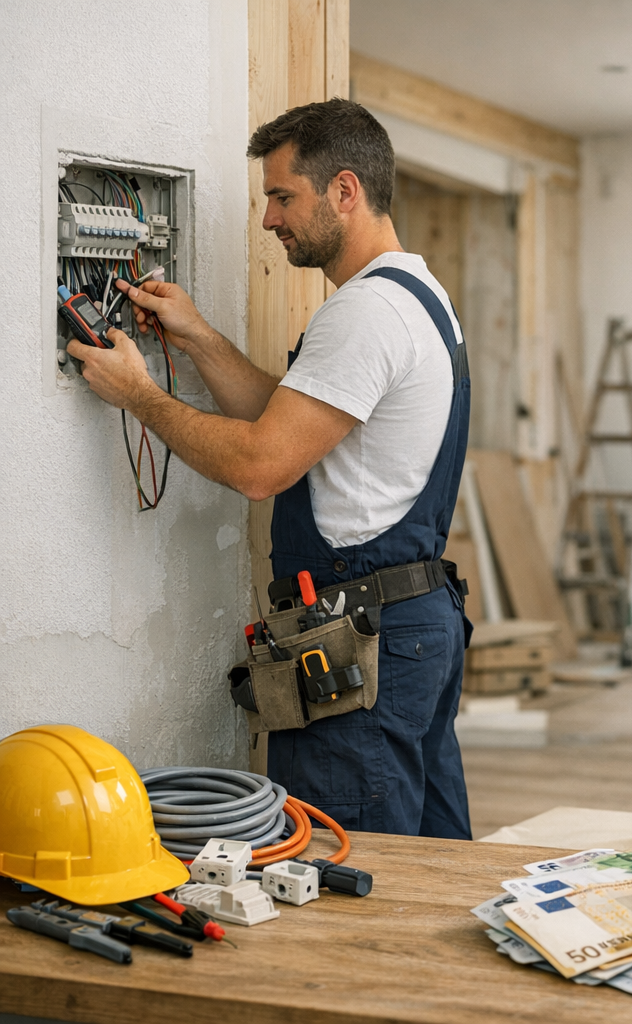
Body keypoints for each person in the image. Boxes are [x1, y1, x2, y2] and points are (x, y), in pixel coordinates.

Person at [67, 98, 473, 840]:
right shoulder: (420, 298)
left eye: (282, 196)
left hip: (360, 649)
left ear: (343, 191)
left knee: (348, 875)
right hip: (414, 626)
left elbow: (261, 465)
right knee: (432, 871)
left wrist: (139, 395)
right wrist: (196, 338)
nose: (268, 220)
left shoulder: (365, 313)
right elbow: (287, 422)